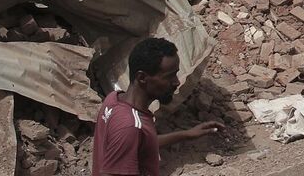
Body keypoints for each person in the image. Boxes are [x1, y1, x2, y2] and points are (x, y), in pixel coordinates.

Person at [92, 38, 223, 176]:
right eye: (170, 76)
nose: (177, 82)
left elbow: (140, 143)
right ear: (142, 77)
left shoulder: (113, 100)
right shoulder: (131, 126)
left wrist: (186, 134)